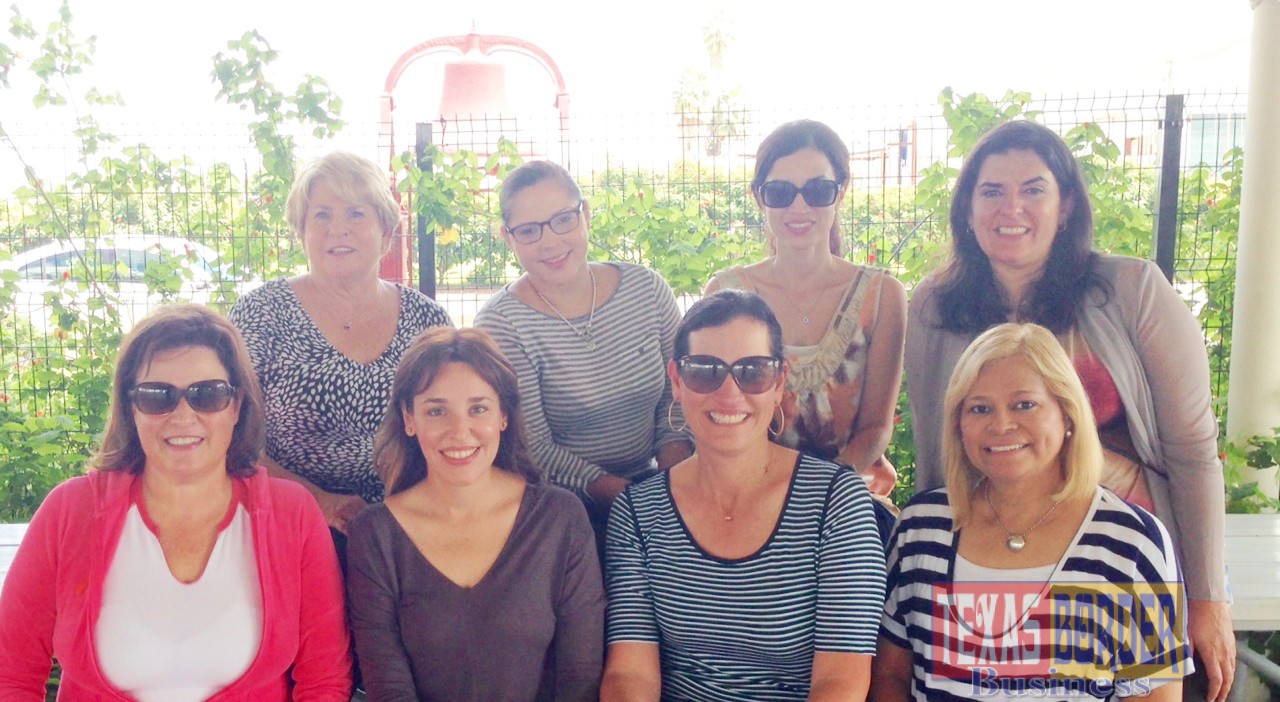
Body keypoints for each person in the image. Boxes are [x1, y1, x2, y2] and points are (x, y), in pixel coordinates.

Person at [904, 120, 1233, 701]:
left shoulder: (1133, 291)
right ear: (966, 208)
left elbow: (1192, 452)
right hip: (992, 561)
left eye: (1033, 189)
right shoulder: (935, 305)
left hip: (1123, 563)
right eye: (990, 191)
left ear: (1066, 205)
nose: (1012, 208)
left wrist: (1207, 599)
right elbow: (938, 448)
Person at [0, 304, 351, 700]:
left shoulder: (292, 515)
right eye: (156, 396)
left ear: (236, 406)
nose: (183, 415)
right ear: (131, 408)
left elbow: (324, 680)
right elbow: (10, 672)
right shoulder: (70, 512)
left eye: (208, 394)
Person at [873, 322, 1190, 701]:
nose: (1001, 424)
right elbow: (890, 675)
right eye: (979, 408)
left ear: (1068, 414)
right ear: (959, 426)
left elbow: (1156, 694)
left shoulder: (1134, 543)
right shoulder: (922, 528)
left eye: (1025, 404)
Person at [601, 290, 885, 701]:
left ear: (779, 382)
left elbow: (840, 682)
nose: (729, 393)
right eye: (704, 371)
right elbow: (630, 675)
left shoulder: (835, 502)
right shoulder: (638, 512)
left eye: (752, 371)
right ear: (677, 381)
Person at [346, 327, 604, 701]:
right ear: (409, 418)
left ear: (503, 415)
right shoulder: (375, 535)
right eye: (437, 410)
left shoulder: (560, 518)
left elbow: (579, 677)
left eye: (478, 408)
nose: (459, 431)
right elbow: (388, 684)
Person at [228, 151, 453, 539]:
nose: (338, 229)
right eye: (322, 215)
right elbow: (228, 435)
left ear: (385, 230)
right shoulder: (261, 313)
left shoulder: (427, 320)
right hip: (288, 520)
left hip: (410, 521)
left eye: (355, 213)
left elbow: (452, 423)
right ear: (302, 231)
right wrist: (322, 502)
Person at [474, 160, 692, 539]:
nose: (550, 242)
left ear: (586, 214)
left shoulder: (647, 289)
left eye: (563, 219)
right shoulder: (500, 324)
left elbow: (678, 398)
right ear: (507, 239)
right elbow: (535, 447)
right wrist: (631, 501)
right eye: (528, 231)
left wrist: (670, 488)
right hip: (562, 506)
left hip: (659, 481)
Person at [705, 119, 906, 499]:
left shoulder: (881, 296)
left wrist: (818, 496)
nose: (799, 206)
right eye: (780, 192)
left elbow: (876, 428)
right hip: (749, 494)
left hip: (848, 494)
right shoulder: (724, 292)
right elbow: (718, 413)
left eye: (817, 190)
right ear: (759, 197)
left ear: (840, 192)